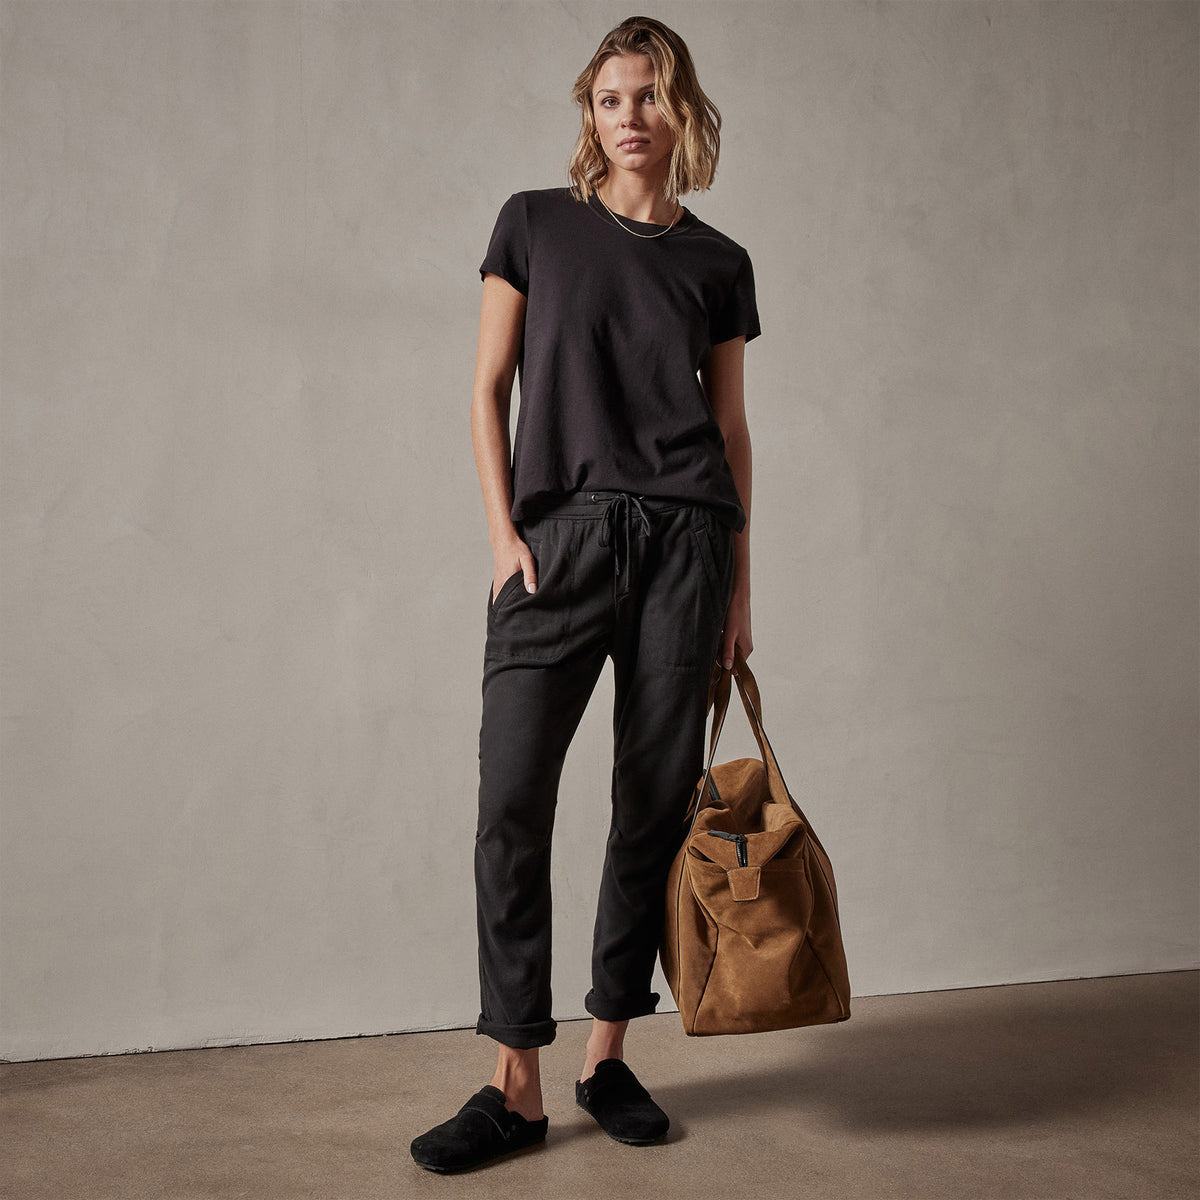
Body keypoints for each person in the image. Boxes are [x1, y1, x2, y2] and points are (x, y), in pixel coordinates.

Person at [410, 14, 760, 1172]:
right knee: (512, 803)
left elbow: (731, 432)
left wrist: (738, 591)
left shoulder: (719, 263)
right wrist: (504, 535)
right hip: (556, 544)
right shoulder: (533, 224)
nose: (630, 117)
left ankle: (607, 1055)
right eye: (612, 98)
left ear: (681, 109)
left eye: (650, 96)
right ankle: (513, 1083)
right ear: (590, 114)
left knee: (651, 808)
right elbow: (487, 388)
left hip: (687, 548)